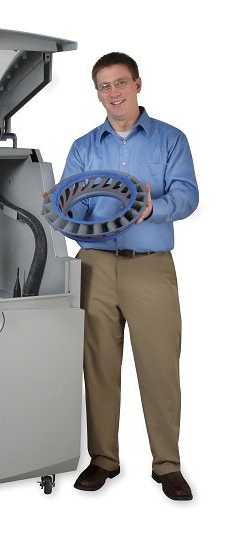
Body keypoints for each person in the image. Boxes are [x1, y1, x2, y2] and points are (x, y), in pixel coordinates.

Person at [61, 52, 198, 500]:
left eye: (120, 83)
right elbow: (72, 205)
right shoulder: (84, 146)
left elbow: (188, 194)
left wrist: (155, 206)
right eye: (104, 86)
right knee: (98, 364)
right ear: (97, 93)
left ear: (137, 84)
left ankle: (167, 464)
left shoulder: (170, 140)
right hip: (95, 265)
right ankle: (103, 458)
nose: (114, 93)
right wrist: (59, 212)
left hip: (150, 266)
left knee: (160, 366)